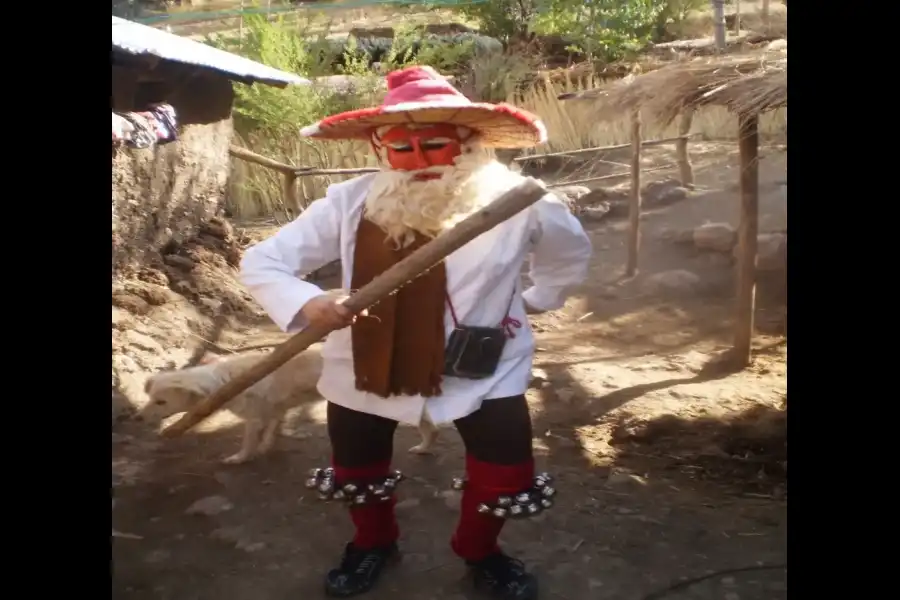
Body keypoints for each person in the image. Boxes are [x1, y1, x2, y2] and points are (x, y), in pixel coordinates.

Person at [240, 66, 592, 600]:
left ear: (470, 143)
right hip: (362, 362)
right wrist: (309, 302)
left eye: (435, 143)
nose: (423, 160)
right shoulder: (351, 201)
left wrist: (537, 301)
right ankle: (372, 543)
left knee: (506, 465)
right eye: (402, 147)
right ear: (381, 147)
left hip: (484, 364)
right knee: (356, 463)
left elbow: (568, 257)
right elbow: (265, 261)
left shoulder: (521, 200)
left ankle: (480, 552)